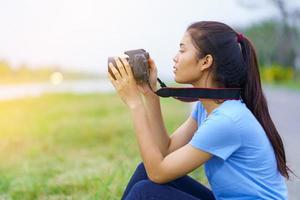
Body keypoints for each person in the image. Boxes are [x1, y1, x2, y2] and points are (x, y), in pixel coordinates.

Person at [108, 21, 289, 200]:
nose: (175, 57)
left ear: (205, 61)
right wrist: (150, 93)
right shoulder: (208, 107)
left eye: (182, 50)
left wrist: (135, 104)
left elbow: (159, 172)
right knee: (144, 172)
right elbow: (166, 150)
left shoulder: (226, 119)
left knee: (145, 192)